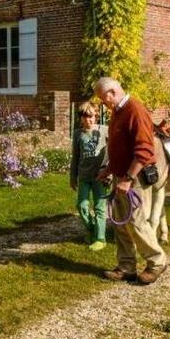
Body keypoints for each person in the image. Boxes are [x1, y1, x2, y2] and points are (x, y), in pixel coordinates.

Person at [94, 77, 167, 285]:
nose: (102, 102)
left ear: (111, 93)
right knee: (121, 223)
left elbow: (144, 151)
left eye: (103, 98)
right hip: (121, 176)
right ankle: (126, 266)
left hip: (134, 178)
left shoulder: (135, 110)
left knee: (136, 222)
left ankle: (157, 262)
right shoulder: (118, 112)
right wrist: (109, 169)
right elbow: (120, 148)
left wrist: (127, 179)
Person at [69, 102, 109, 251]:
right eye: (86, 117)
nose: (89, 120)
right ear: (81, 118)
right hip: (84, 176)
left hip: (100, 176)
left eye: (92, 117)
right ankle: (92, 228)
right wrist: (73, 177)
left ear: (96, 116)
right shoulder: (78, 134)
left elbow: (113, 150)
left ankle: (100, 239)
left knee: (99, 207)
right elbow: (75, 157)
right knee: (82, 206)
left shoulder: (104, 130)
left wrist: (109, 172)